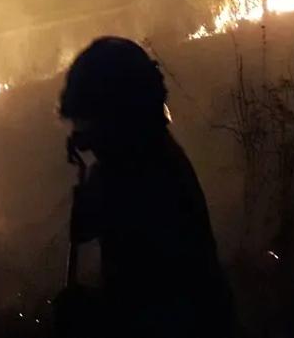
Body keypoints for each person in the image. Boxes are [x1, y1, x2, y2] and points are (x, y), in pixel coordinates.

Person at [56, 36, 233, 338]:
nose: (88, 144)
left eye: (91, 130)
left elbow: (158, 310)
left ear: (118, 119)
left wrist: (89, 314)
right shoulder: (136, 161)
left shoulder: (152, 187)